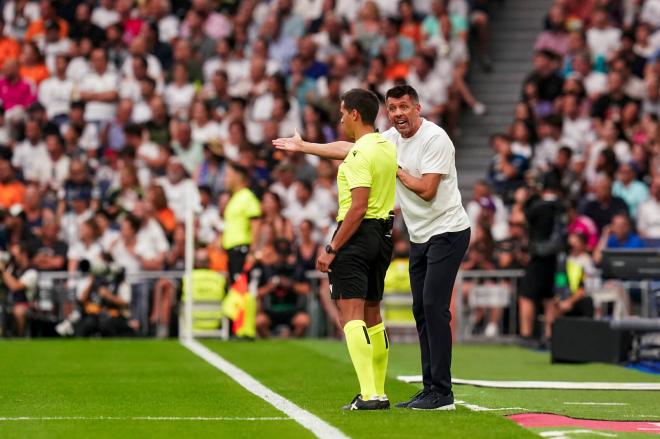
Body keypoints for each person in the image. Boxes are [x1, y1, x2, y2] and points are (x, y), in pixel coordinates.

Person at [274, 88, 396, 410]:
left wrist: (331, 247)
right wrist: (304, 147)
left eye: (343, 112)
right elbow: (346, 148)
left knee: (350, 316)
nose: (340, 118)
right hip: (383, 236)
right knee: (373, 315)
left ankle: (368, 395)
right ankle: (379, 392)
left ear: (355, 114)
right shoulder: (384, 146)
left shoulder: (358, 156)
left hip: (356, 236)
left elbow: (357, 207)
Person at [222, 161, 262, 283]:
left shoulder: (247, 197)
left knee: (242, 289)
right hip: (232, 251)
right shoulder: (234, 198)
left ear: (238, 176)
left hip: (242, 251)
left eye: (228, 175)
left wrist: (252, 252)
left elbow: (256, 225)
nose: (225, 179)